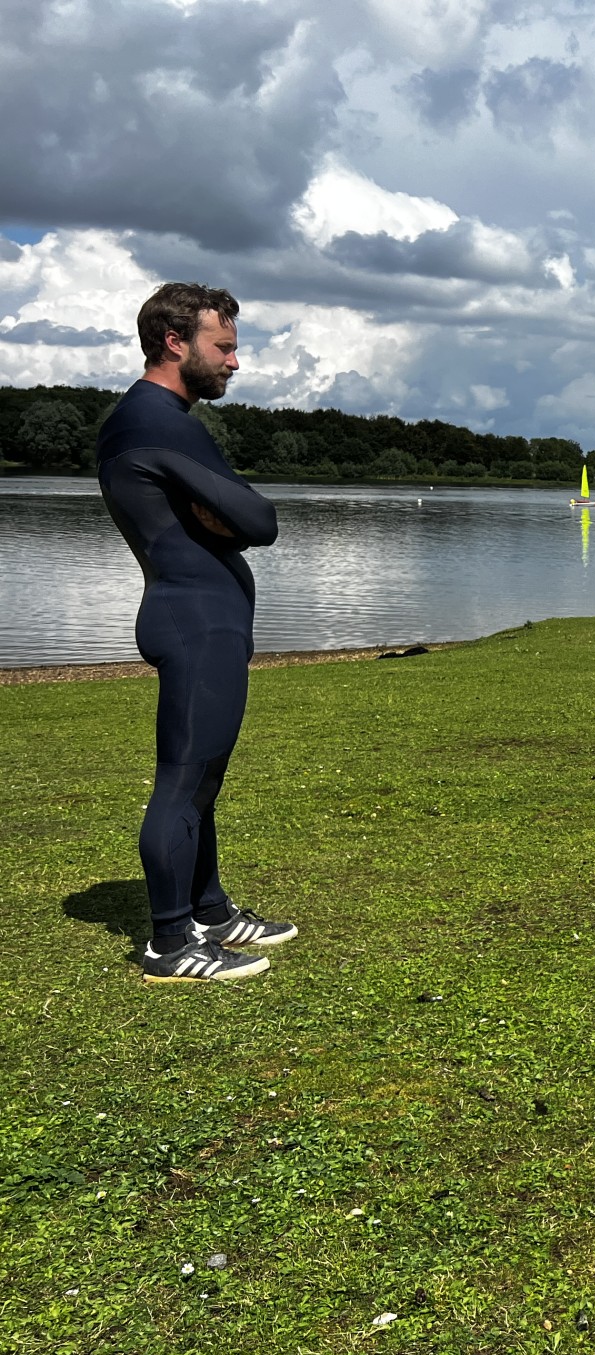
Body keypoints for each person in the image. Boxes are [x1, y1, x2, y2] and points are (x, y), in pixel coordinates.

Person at [96, 282, 296, 983]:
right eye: (225, 347)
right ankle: (170, 944)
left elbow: (238, 515)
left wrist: (228, 515)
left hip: (203, 615)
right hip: (193, 620)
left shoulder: (162, 419)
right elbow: (260, 521)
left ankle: (208, 910)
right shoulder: (154, 421)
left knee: (203, 778)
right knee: (182, 780)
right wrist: (231, 518)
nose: (234, 363)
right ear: (176, 342)